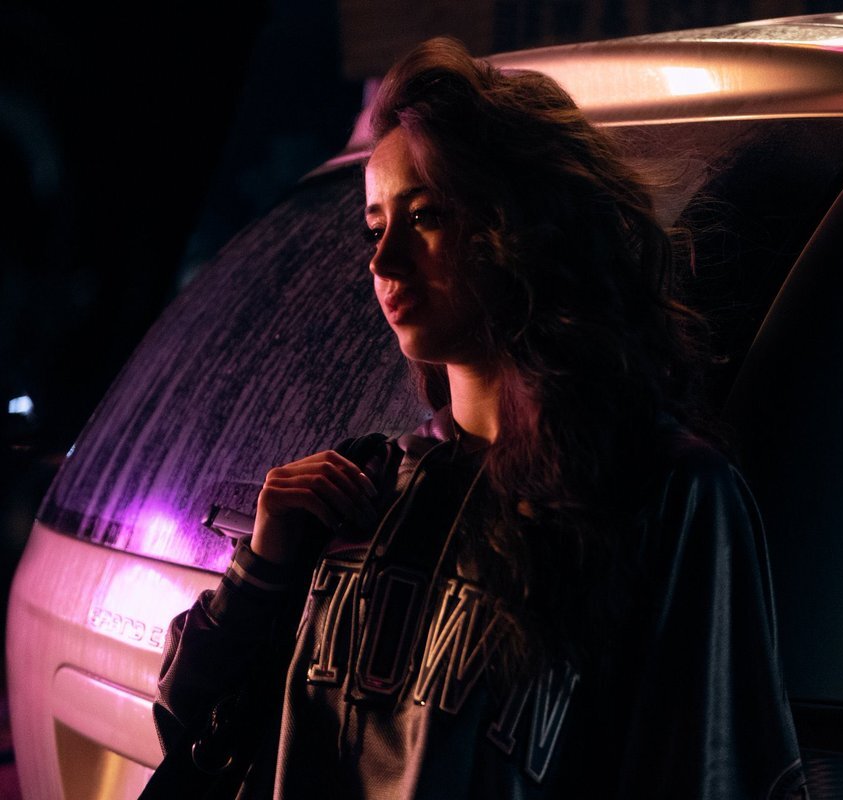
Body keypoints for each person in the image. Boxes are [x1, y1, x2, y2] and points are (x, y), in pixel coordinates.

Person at [149, 36, 803, 800]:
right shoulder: (364, 490)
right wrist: (262, 568)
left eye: (424, 215)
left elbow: (706, 775)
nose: (382, 262)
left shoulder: (664, 495)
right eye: (374, 227)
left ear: (520, 228)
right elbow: (186, 724)